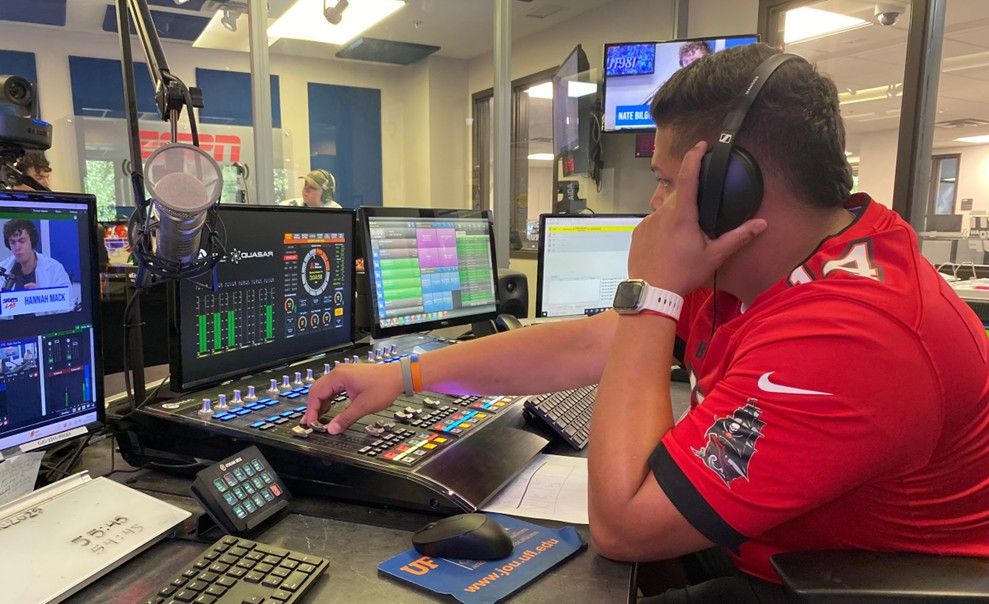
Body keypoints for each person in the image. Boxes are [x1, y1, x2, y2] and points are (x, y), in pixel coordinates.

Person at [302, 43, 989, 603]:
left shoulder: (854, 332)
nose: (653, 207)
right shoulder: (783, 262)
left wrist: (654, 289)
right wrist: (405, 373)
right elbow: (596, 341)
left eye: (664, 182)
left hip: (829, 584)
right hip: (782, 544)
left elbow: (624, 527)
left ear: (730, 189)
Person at [1, 218, 70, 291]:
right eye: (13, 242)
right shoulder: (2, 269)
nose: (17, 247)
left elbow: (68, 301)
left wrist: (41, 297)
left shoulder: (55, 269)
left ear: (32, 240)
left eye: (22, 241)